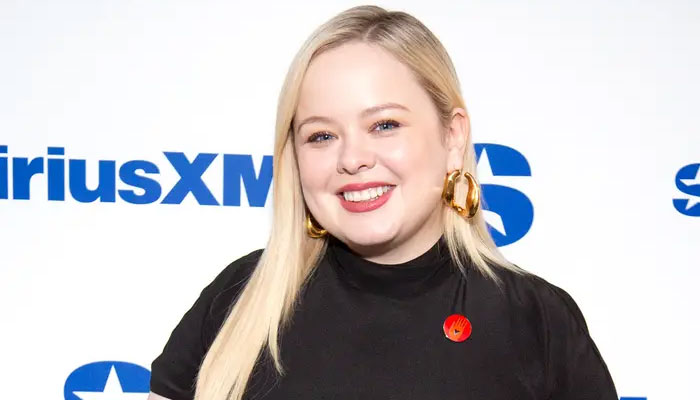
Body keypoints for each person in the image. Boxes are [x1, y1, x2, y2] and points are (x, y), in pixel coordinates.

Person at [148, 5, 618, 400]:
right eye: (321, 135)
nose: (352, 159)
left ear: (453, 136)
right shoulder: (240, 299)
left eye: (384, 125)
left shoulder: (535, 321)